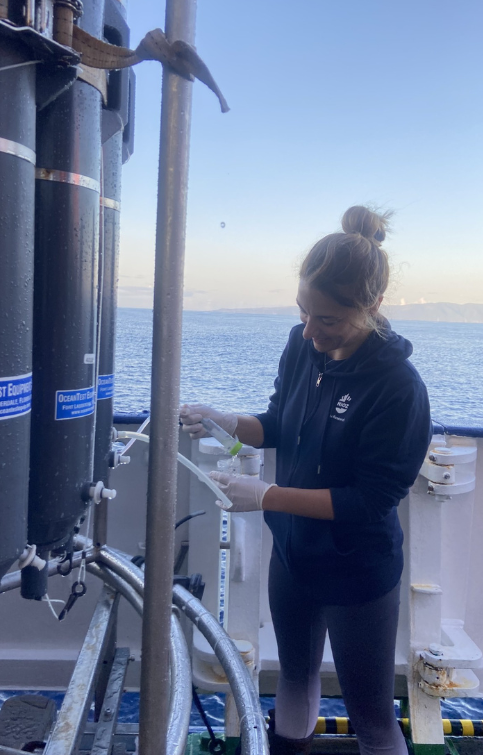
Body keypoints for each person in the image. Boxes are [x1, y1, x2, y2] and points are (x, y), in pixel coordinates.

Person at [179, 206, 430, 755]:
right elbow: (277, 423)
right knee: (293, 679)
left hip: (357, 570)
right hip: (294, 558)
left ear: (372, 308)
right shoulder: (301, 345)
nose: (311, 331)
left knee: (371, 715)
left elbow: (372, 500)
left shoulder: (398, 387)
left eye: (328, 320)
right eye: (303, 312)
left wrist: (267, 497)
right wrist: (226, 420)